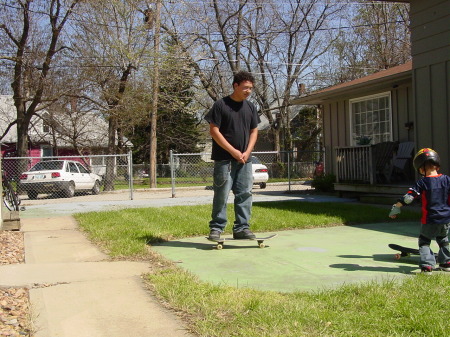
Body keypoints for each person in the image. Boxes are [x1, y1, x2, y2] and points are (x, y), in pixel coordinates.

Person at [205, 71, 260, 240]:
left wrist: (247, 152)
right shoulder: (221, 105)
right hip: (224, 160)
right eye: (245, 88)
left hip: (244, 160)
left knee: (244, 193)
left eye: (250, 88)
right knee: (222, 194)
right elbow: (214, 131)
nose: (248, 91)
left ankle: (242, 228)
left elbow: (254, 130)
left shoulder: (250, 107)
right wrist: (233, 151)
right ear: (235, 85)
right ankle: (217, 228)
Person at [389, 148, 450, 274]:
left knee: (424, 242)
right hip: (445, 219)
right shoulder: (447, 180)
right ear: (437, 165)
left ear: (421, 168)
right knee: (443, 240)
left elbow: (409, 197)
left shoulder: (422, 182)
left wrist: (397, 207)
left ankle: (427, 266)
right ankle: (446, 263)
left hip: (429, 219)